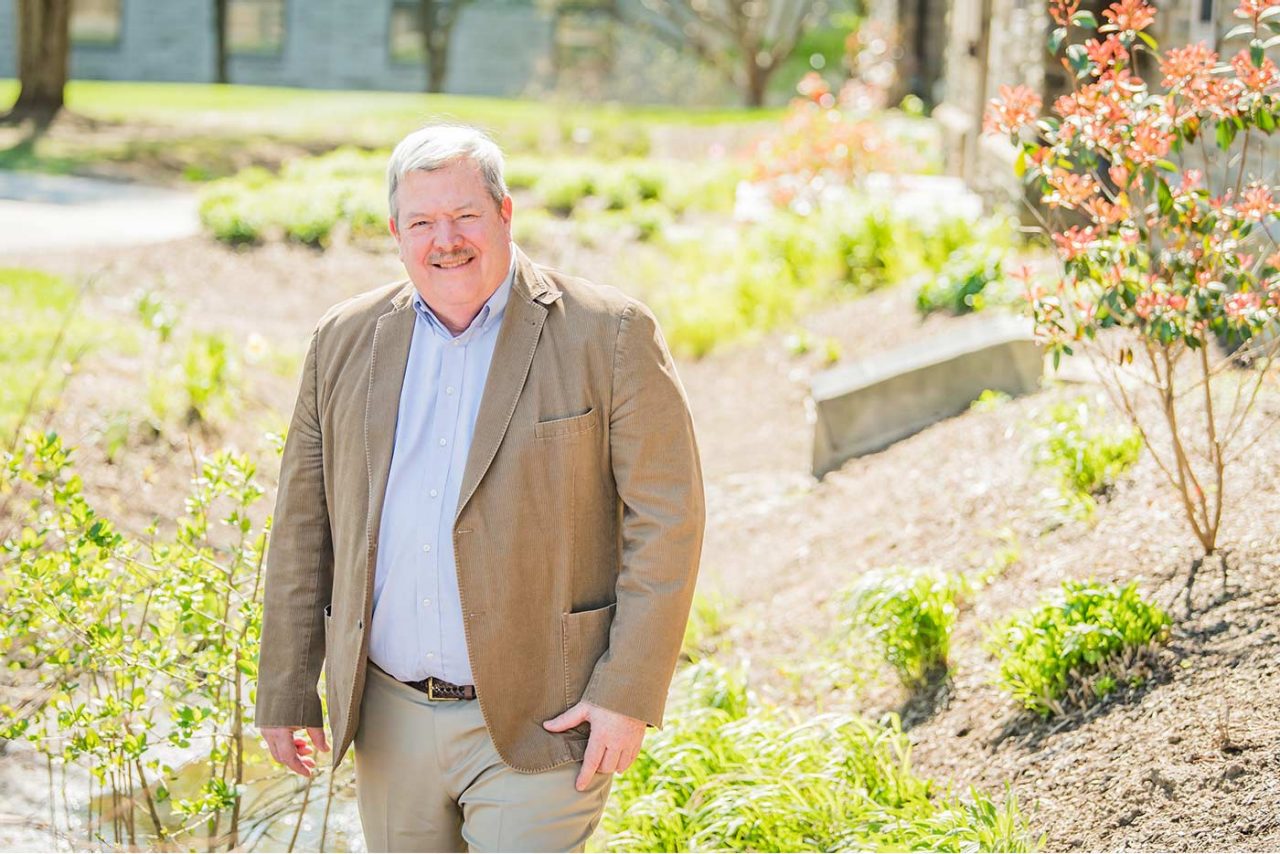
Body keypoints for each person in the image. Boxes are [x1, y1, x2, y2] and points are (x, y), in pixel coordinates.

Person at [254, 124, 706, 853]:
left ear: (505, 213)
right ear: (396, 232)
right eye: (423, 222)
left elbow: (668, 522)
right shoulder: (341, 339)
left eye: (465, 215)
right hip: (388, 713)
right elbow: (304, 526)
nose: (447, 240)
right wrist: (286, 686)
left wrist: (627, 692)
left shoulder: (609, 334)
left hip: (545, 711)